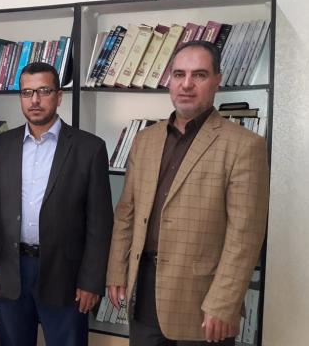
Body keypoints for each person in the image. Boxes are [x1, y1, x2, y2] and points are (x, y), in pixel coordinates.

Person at [106, 40, 270, 345]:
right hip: (143, 290)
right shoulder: (145, 140)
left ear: (217, 81)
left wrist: (223, 302)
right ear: (169, 79)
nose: (187, 84)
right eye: (179, 74)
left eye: (200, 75)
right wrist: (117, 270)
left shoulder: (245, 146)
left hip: (203, 300)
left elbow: (245, 236)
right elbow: (126, 213)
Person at [0, 62, 114, 346]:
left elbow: (100, 224)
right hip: (11, 270)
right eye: (27, 92)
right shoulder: (2, 145)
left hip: (65, 275)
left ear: (59, 96)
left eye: (44, 91)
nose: (35, 100)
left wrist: (91, 281)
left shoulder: (89, 148)